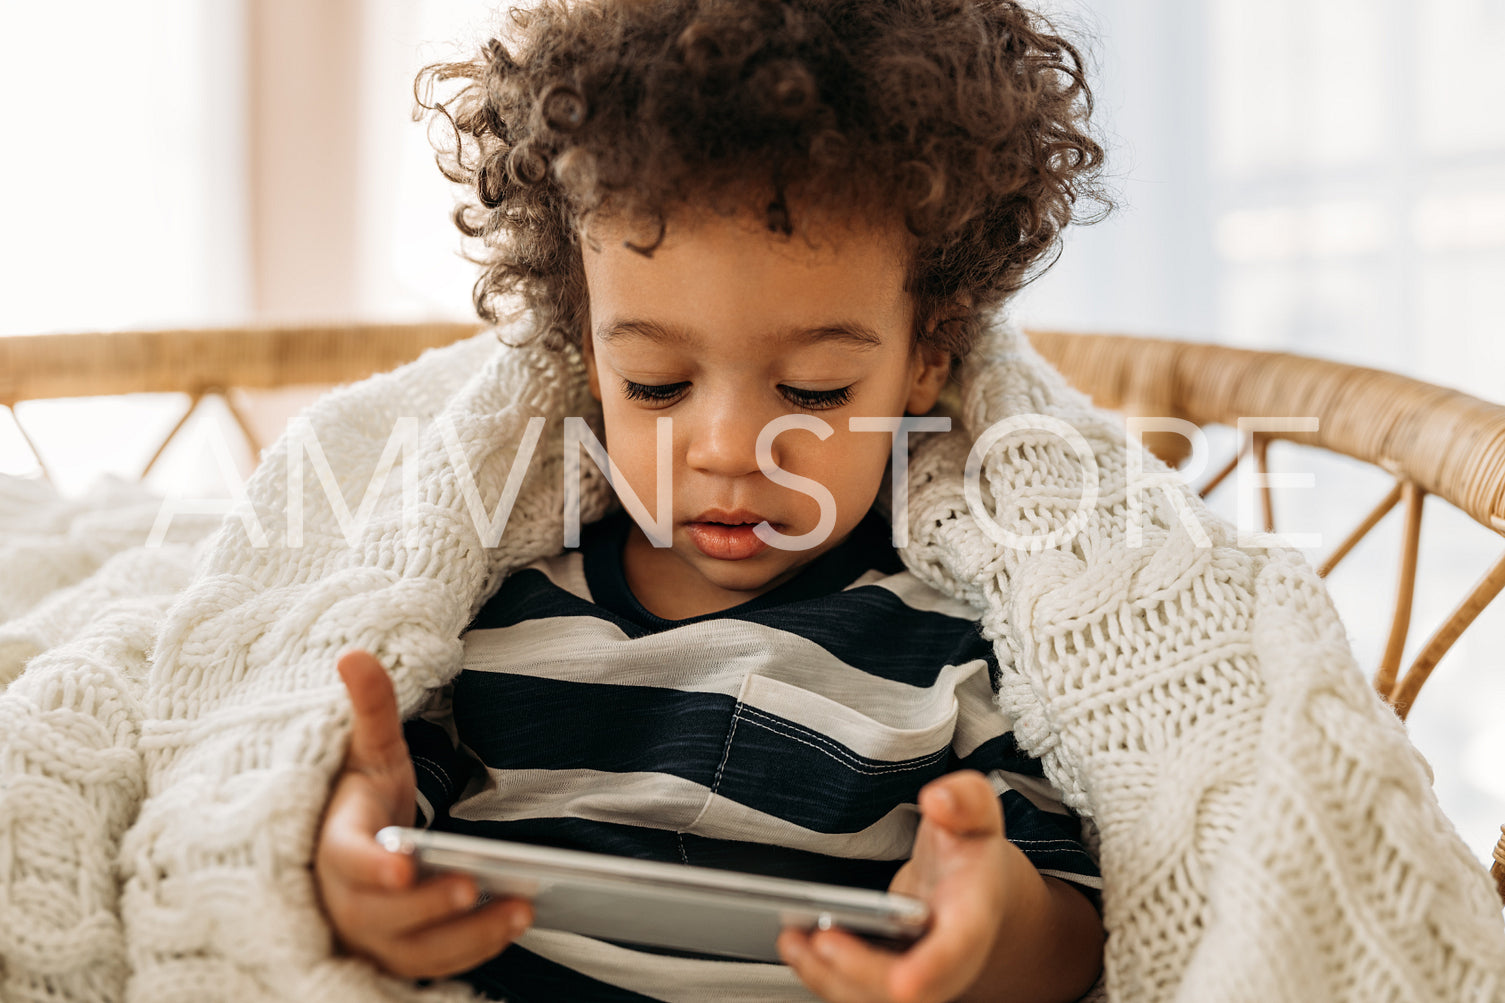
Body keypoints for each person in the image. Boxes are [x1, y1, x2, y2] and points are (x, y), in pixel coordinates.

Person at [313, 1, 1114, 999]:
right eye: (653, 382)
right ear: (587, 357)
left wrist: (988, 919)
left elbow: (1078, 932)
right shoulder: (497, 617)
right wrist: (358, 867)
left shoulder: (949, 650)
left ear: (925, 360)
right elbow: (379, 845)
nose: (733, 451)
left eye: (814, 391)